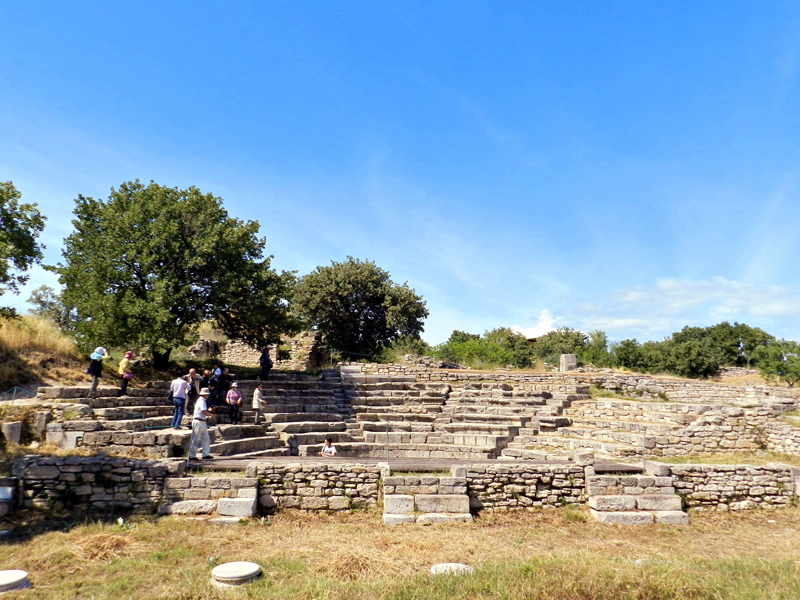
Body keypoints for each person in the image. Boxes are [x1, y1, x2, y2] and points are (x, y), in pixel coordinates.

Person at [188, 387, 214, 460]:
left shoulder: (202, 401)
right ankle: (192, 455)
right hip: (198, 421)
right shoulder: (201, 401)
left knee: (206, 438)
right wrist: (211, 415)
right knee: (196, 439)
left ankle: (205, 454)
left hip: (202, 421)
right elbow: (204, 412)